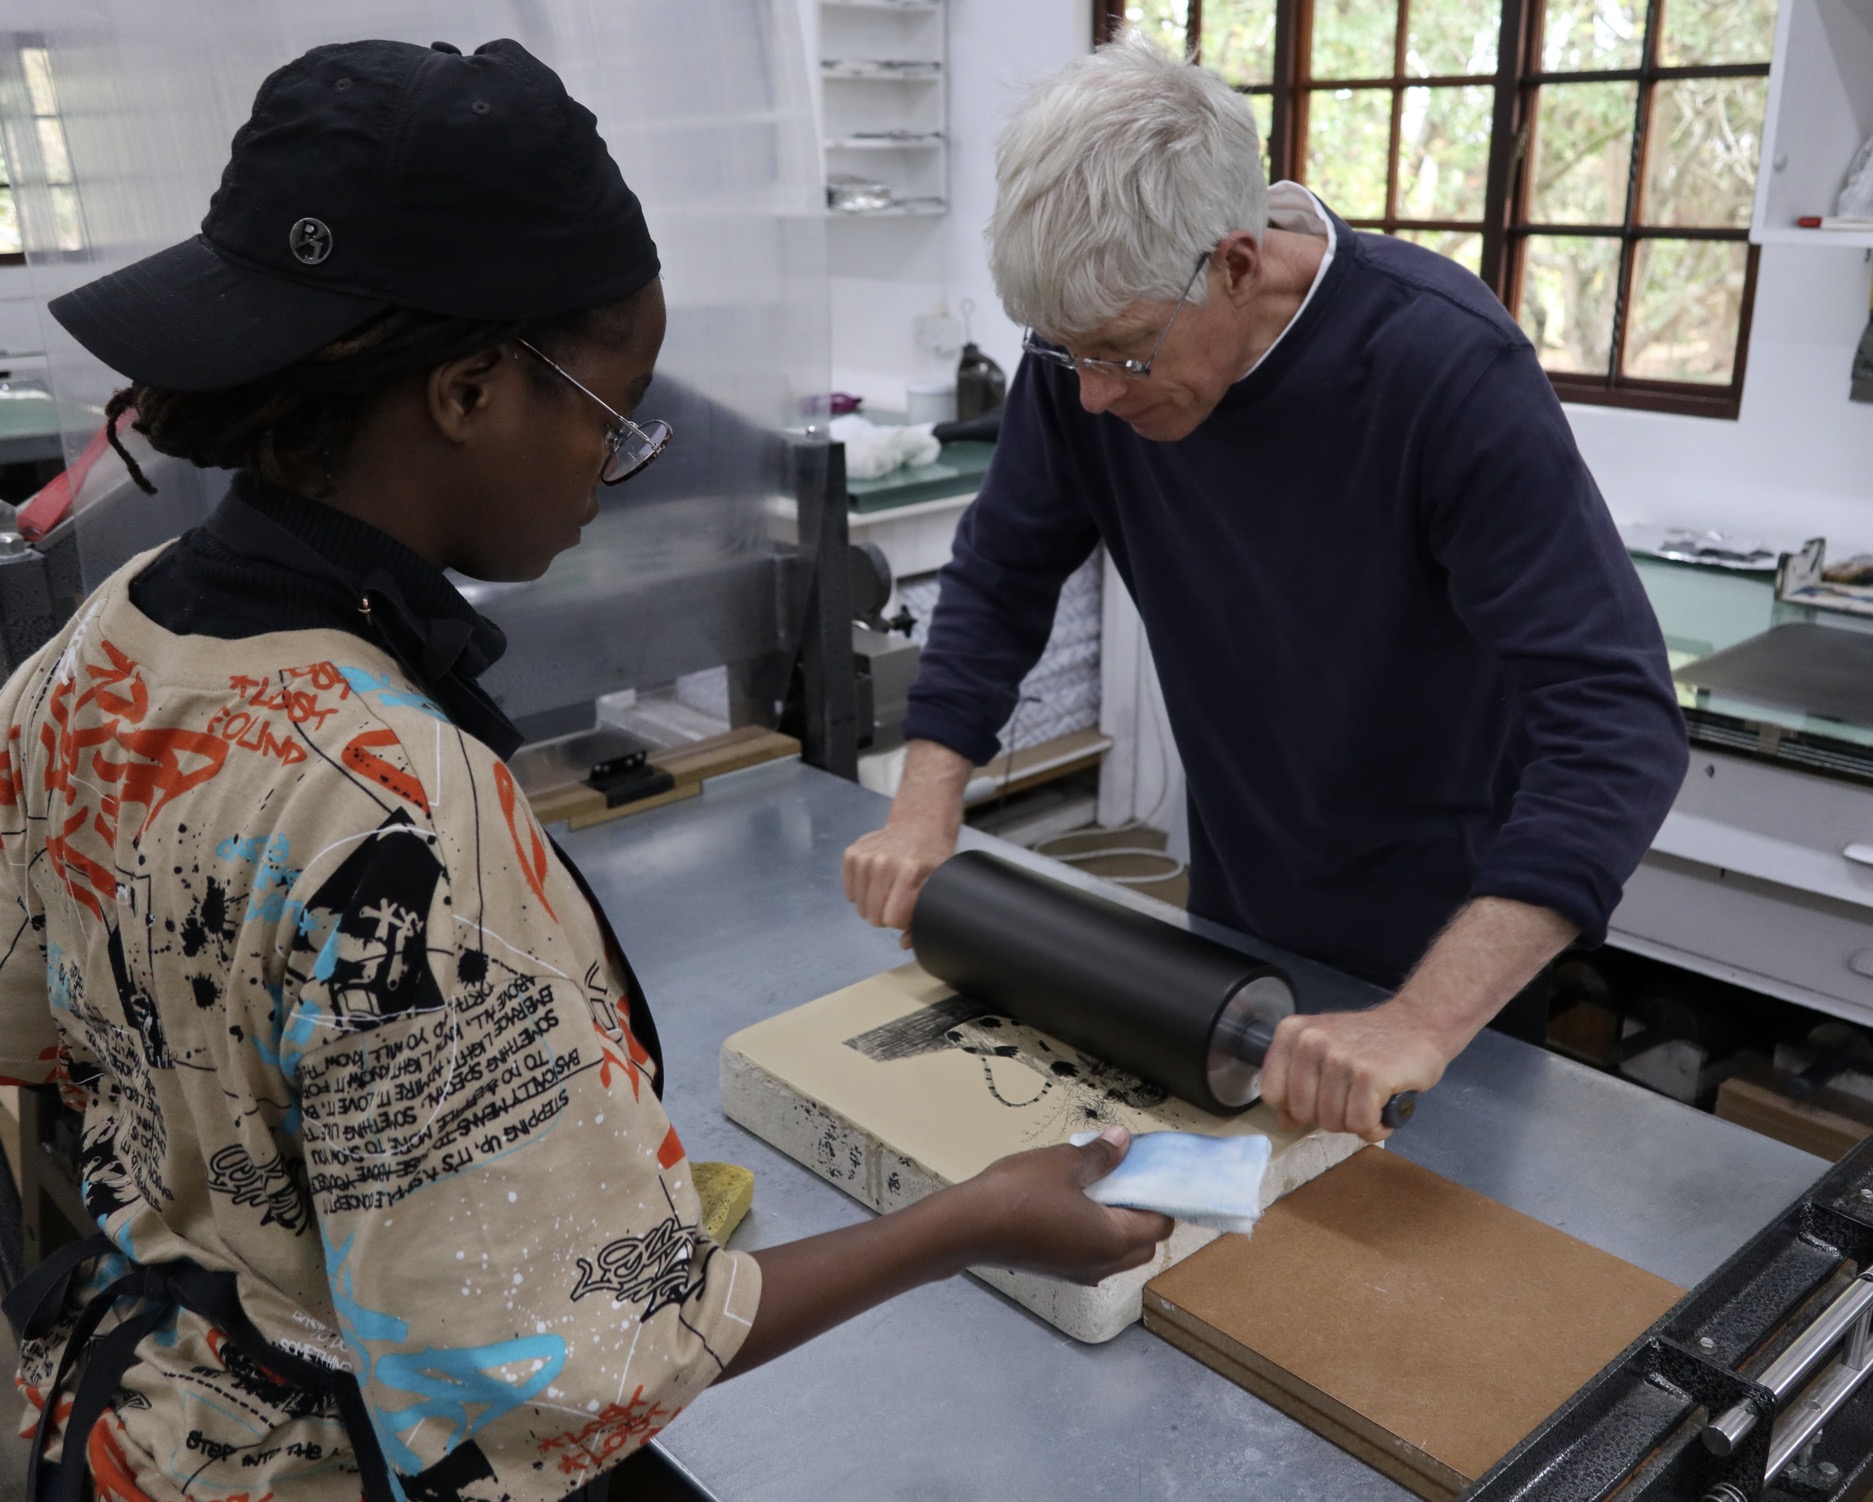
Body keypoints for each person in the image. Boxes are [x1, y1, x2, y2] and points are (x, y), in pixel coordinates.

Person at [0, 39, 1168, 1502]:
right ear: (472, 389)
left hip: (115, 1412)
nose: (615, 468)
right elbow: (572, 1353)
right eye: (614, 413)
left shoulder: (109, 636)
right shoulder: (401, 819)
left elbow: (53, 1031)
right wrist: (974, 1217)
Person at [843, 33, 1688, 1142]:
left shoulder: (1443, 370)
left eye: (1123, 351)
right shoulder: (1085, 359)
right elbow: (1000, 571)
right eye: (1064, 352)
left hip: (1448, 936)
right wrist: (922, 808)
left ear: (1234, 265)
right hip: (1239, 897)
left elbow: (1618, 725)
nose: (1092, 394)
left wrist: (1420, 1020)